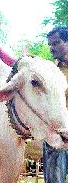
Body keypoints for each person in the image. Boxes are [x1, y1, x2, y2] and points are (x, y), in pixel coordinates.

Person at [43, 26, 68, 183]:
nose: (51, 49)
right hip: (56, 135)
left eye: (56, 43)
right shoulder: (50, 71)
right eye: (50, 45)